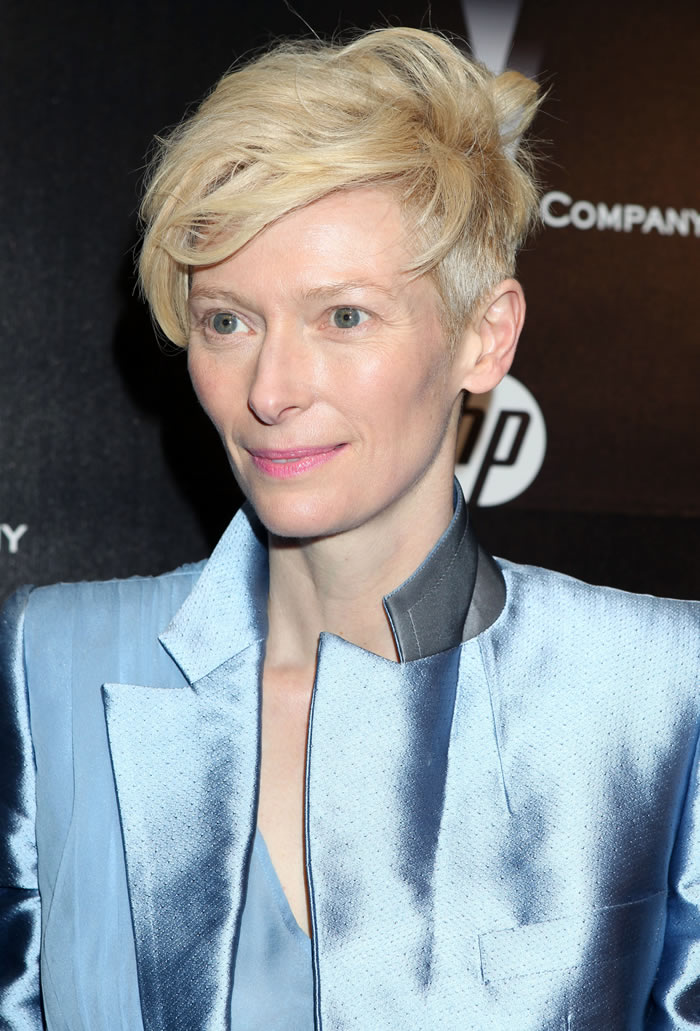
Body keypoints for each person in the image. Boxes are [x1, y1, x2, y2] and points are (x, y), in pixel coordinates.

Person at [1, 26, 698, 1031]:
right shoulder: (55, 660)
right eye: (228, 320)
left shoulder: (658, 686)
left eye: (343, 317)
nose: (271, 390)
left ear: (485, 335)